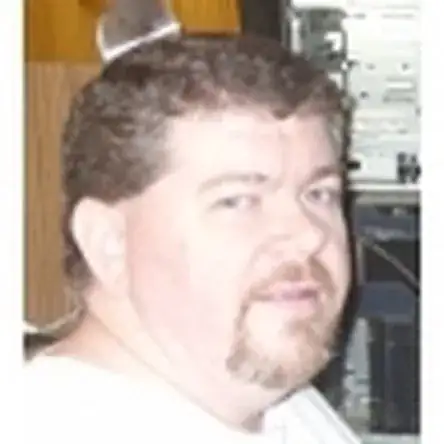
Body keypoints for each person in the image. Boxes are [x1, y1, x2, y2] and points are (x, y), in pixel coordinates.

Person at [24, 35, 360, 444]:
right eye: (237, 201)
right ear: (109, 243)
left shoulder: (275, 403)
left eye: (319, 194)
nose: (309, 235)